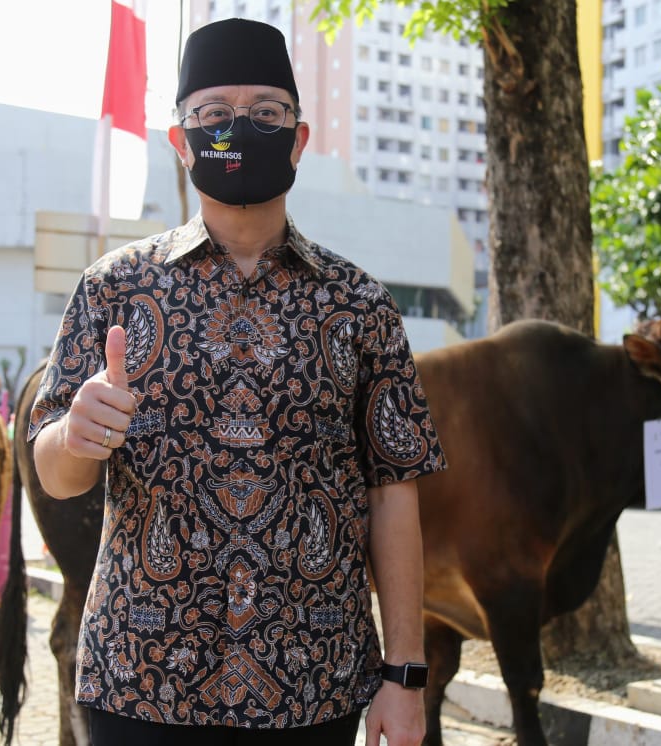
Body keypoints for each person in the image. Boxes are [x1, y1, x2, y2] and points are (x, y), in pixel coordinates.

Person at [29, 19, 445, 746]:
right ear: (180, 141)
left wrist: (403, 674)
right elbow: (56, 475)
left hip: (312, 687)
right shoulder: (112, 290)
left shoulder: (359, 305)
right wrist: (75, 434)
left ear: (298, 138)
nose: (239, 128)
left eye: (265, 113)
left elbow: (393, 492)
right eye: (214, 114)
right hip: (140, 683)